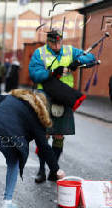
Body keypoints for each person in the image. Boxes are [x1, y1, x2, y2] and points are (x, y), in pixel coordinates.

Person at [29, 29, 95, 183]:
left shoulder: (70, 50)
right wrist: (52, 72)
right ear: (48, 41)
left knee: (59, 135)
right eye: (54, 42)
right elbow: (34, 74)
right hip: (44, 95)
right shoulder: (40, 53)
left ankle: (54, 170)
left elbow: (90, 57)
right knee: (43, 135)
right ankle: (41, 170)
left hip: (64, 95)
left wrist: (79, 61)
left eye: (60, 41)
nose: (57, 45)